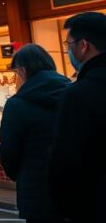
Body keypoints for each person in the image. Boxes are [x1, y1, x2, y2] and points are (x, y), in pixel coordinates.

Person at [0, 44, 69, 223]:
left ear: (22, 70)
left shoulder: (17, 104)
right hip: (77, 187)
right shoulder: (72, 93)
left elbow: (8, 151)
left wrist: (22, 174)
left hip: (36, 189)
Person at [50, 12, 106, 223]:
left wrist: (64, 207)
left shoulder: (78, 95)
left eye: (68, 44)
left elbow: (65, 158)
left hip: (92, 205)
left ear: (83, 46)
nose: (67, 50)